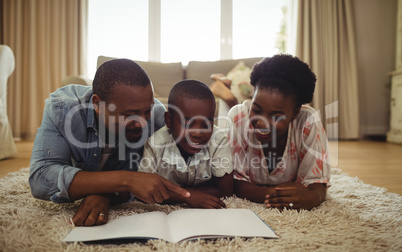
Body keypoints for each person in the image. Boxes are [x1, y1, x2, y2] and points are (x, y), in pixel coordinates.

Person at [29, 59, 190, 226]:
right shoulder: (63, 108)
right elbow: (41, 178)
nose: (142, 123)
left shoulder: (157, 119)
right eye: (130, 114)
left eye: (147, 110)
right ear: (98, 104)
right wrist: (128, 180)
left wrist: (105, 193)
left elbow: (162, 180)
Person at [224, 54, 331, 211]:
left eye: (276, 117)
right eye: (256, 110)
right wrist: (277, 194)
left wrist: (314, 197)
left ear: (295, 113)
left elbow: (317, 184)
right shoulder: (239, 117)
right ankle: (222, 87)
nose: (262, 122)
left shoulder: (308, 120)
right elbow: (233, 182)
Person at [139, 79, 234, 209]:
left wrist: (169, 192)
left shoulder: (218, 140)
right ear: (169, 120)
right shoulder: (155, 144)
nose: (197, 133)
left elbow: (226, 191)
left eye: (206, 124)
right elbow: (146, 192)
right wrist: (187, 196)